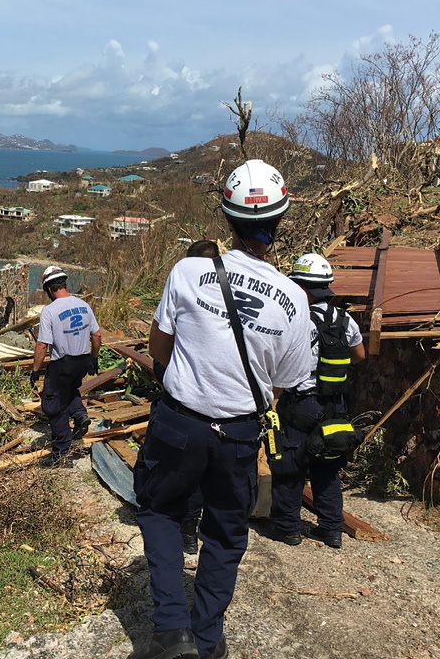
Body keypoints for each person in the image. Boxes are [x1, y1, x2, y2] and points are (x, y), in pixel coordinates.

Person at [133, 160, 312, 659]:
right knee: (225, 535)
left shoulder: (189, 271)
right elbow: (284, 384)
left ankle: (173, 632)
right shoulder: (295, 302)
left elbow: (159, 350)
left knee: (161, 510)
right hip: (238, 435)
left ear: (226, 219)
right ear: (280, 221)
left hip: (178, 421)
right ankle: (207, 638)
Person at [267, 253, 366, 549]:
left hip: (301, 403)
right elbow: (359, 355)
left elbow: (279, 362)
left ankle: (288, 528)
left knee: (290, 466)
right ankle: (332, 529)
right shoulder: (343, 318)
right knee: (328, 465)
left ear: (299, 285)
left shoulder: (296, 319)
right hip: (335, 405)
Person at [30, 266, 102, 466]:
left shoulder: (50, 311)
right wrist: (93, 359)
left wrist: (35, 370)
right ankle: (80, 416)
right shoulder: (83, 305)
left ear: (49, 289)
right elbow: (96, 335)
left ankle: (61, 455)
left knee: (54, 406)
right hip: (82, 360)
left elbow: (42, 344)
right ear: (63, 284)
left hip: (62, 363)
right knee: (70, 390)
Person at [179, 239, 219, 556]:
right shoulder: (240, 293)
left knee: (192, 471)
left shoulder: (184, 289)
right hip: (234, 408)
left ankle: (189, 532)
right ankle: (214, 536)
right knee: (221, 476)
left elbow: (160, 350)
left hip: (193, 404)